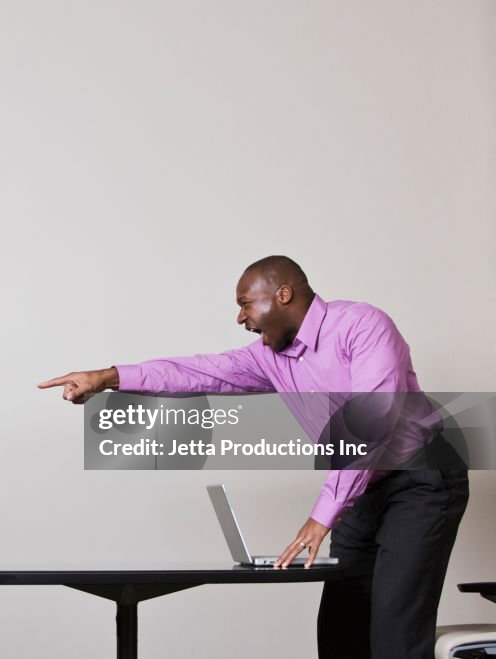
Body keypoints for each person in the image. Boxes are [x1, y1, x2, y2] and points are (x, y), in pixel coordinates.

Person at [38, 255, 468, 659]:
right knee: (341, 630)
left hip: (420, 480)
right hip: (360, 489)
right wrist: (108, 377)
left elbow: (372, 423)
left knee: (395, 632)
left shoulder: (362, 325)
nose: (240, 318)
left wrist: (322, 516)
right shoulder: (269, 357)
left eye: (246, 304)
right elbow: (196, 371)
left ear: (283, 294)